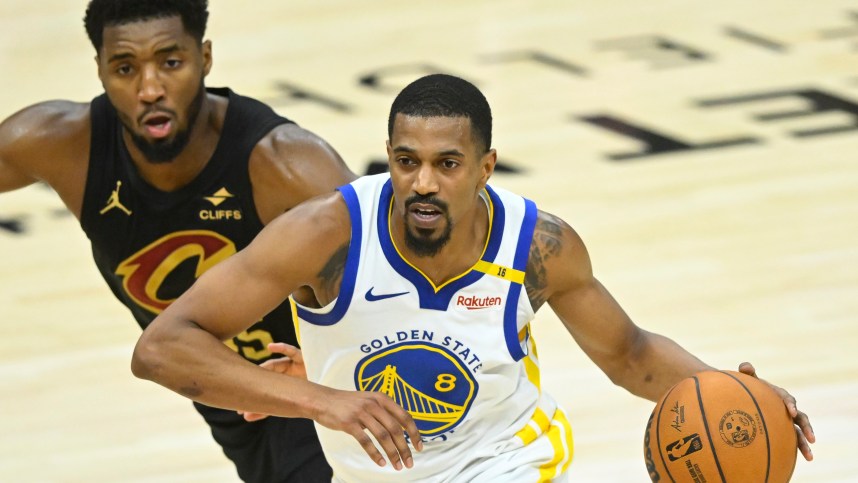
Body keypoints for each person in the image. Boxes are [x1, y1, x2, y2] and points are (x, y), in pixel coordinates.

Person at [132, 74, 815, 481]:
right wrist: (319, 398)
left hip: (509, 457)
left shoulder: (538, 245)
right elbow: (161, 347)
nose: (422, 182)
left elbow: (629, 354)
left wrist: (724, 385)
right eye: (405, 160)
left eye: (446, 163)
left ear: (486, 167)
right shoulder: (326, 236)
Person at [0, 1, 356, 481]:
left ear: (204, 58)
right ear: (100, 71)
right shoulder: (60, 144)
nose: (150, 89)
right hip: (222, 396)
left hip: (315, 384)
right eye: (125, 68)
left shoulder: (285, 163)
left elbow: (401, 267)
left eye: (171, 62)